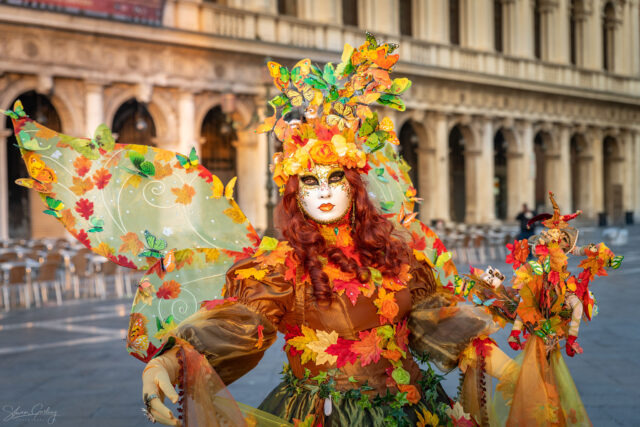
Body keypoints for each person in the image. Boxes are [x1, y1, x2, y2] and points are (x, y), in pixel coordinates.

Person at [7, 35, 517, 426]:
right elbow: (237, 323)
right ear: (292, 192)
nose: (322, 190)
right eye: (308, 180)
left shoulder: (400, 259)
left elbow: (437, 320)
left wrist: (507, 366)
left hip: (408, 408)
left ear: (355, 185)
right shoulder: (280, 267)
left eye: (335, 177)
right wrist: (170, 361)